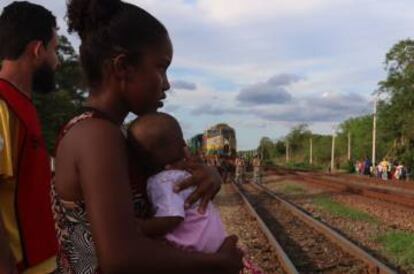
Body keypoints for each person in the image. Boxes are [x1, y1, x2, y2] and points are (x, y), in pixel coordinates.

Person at [52, 0, 243, 273]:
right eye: (161, 67)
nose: (166, 84)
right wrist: (216, 264)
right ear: (122, 68)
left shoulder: (113, 133)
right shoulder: (97, 136)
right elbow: (120, 258)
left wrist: (208, 177)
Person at [127, 112, 263, 274]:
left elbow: (172, 218)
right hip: (213, 245)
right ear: (183, 146)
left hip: (194, 250)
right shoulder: (188, 174)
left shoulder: (163, 181)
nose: (166, 85)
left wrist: (139, 228)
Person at [0, 2, 59, 273]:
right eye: (55, 50)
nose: (57, 62)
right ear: (37, 50)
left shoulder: (21, 104)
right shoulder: (2, 105)